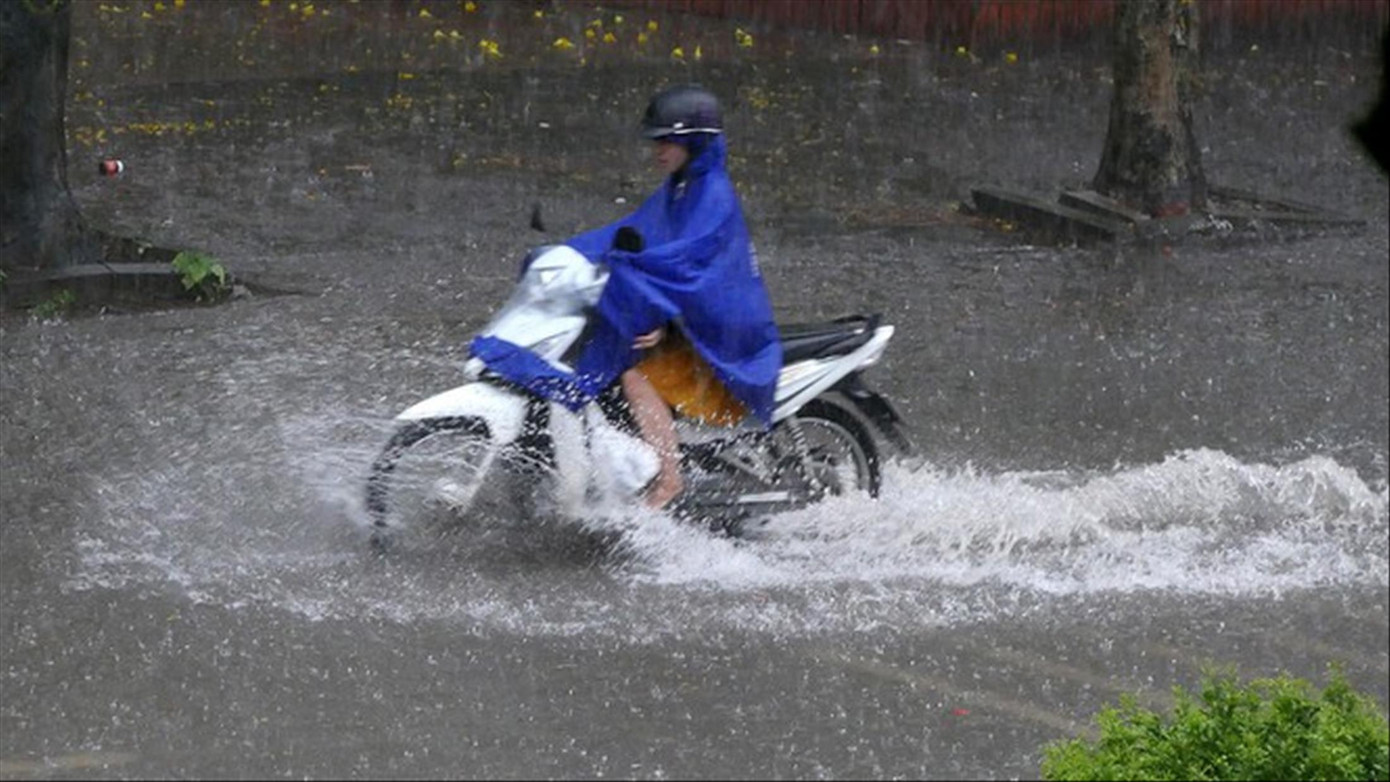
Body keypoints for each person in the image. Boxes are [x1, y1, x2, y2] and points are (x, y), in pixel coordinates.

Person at [562, 84, 782, 508]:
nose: (658, 150)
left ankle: (668, 480)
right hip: (693, 328)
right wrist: (574, 254)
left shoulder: (711, 196)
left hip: (724, 343)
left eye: (669, 140)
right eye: (656, 140)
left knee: (635, 375)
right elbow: (638, 233)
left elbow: (694, 277)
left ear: (694, 141)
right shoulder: (680, 188)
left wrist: (664, 322)